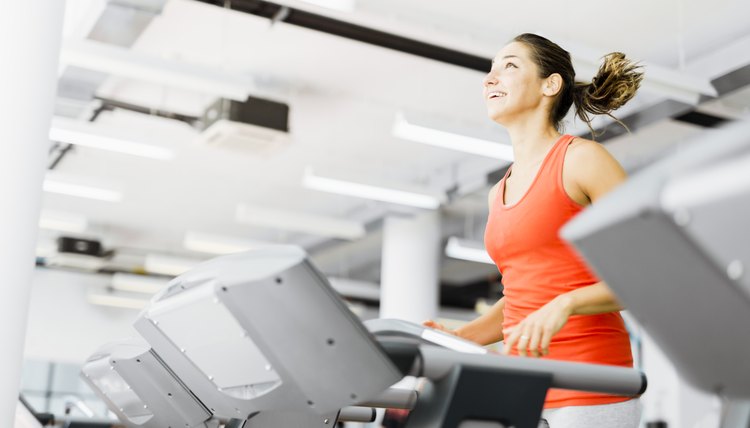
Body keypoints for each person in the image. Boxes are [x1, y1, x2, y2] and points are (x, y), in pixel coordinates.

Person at [423, 33, 644, 428]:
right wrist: (459, 337)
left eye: (509, 65)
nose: (491, 78)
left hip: (590, 386)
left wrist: (565, 305)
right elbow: (524, 296)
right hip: (521, 386)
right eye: (490, 70)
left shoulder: (582, 160)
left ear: (550, 84)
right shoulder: (498, 192)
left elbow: (644, 278)